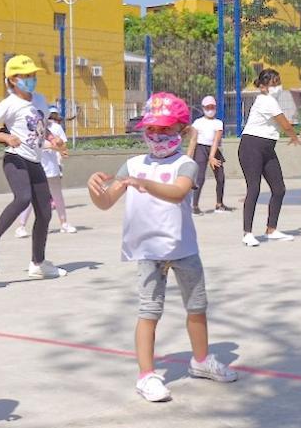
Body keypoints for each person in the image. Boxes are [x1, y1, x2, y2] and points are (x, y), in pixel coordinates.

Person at [86, 92, 239, 402]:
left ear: (181, 131)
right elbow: (106, 202)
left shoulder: (185, 164)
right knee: (149, 312)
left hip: (183, 248)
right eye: (151, 129)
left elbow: (178, 192)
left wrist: (145, 185)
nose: (156, 136)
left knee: (197, 308)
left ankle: (200, 360)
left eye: (165, 129)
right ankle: (146, 375)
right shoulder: (131, 164)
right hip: (148, 252)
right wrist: (96, 191)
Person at [0, 55, 66, 279]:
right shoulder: (9, 104)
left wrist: (54, 140)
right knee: (22, 198)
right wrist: (6, 138)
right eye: (26, 76)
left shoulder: (40, 100)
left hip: (35, 161)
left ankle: (38, 263)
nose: (31, 79)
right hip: (15, 159)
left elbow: (41, 128)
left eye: (33, 75)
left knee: (44, 213)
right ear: (13, 79)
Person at [238, 69, 301, 247]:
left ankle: (271, 229)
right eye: (275, 83)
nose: (278, 86)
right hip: (251, 147)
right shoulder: (266, 101)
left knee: (279, 188)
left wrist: (293, 134)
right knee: (254, 188)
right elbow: (285, 124)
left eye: (278, 82)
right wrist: (294, 136)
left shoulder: (271, 100)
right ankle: (247, 233)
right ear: (264, 86)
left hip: (267, 148)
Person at [15, 106, 75, 237]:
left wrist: (59, 145)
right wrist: (53, 146)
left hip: (52, 168)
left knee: (57, 196)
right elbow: (34, 145)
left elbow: (63, 146)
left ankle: (64, 223)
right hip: (36, 167)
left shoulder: (56, 128)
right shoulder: (30, 127)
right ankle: (21, 226)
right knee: (30, 198)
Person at [188, 96, 231, 215]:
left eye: (212, 107)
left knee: (220, 177)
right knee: (200, 178)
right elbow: (193, 140)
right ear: (203, 108)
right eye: (207, 107)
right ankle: (194, 206)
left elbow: (216, 141)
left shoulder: (218, 123)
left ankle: (219, 204)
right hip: (201, 149)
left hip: (214, 149)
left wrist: (212, 156)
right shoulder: (197, 122)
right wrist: (187, 157)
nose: (210, 109)